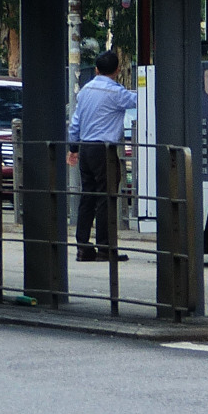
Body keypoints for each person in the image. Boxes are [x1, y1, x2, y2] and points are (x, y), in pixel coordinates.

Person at [68, 51, 136, 262]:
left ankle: (82, 246)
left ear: (96, 70)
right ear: (117, 70)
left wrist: (73, 148)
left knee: (87, 196)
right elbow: (141, 99)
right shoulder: (118, 93)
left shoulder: (85, 91)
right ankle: (106, 248)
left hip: (85, 147)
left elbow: (75, 122)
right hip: (104, 151)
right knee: (106, 198)